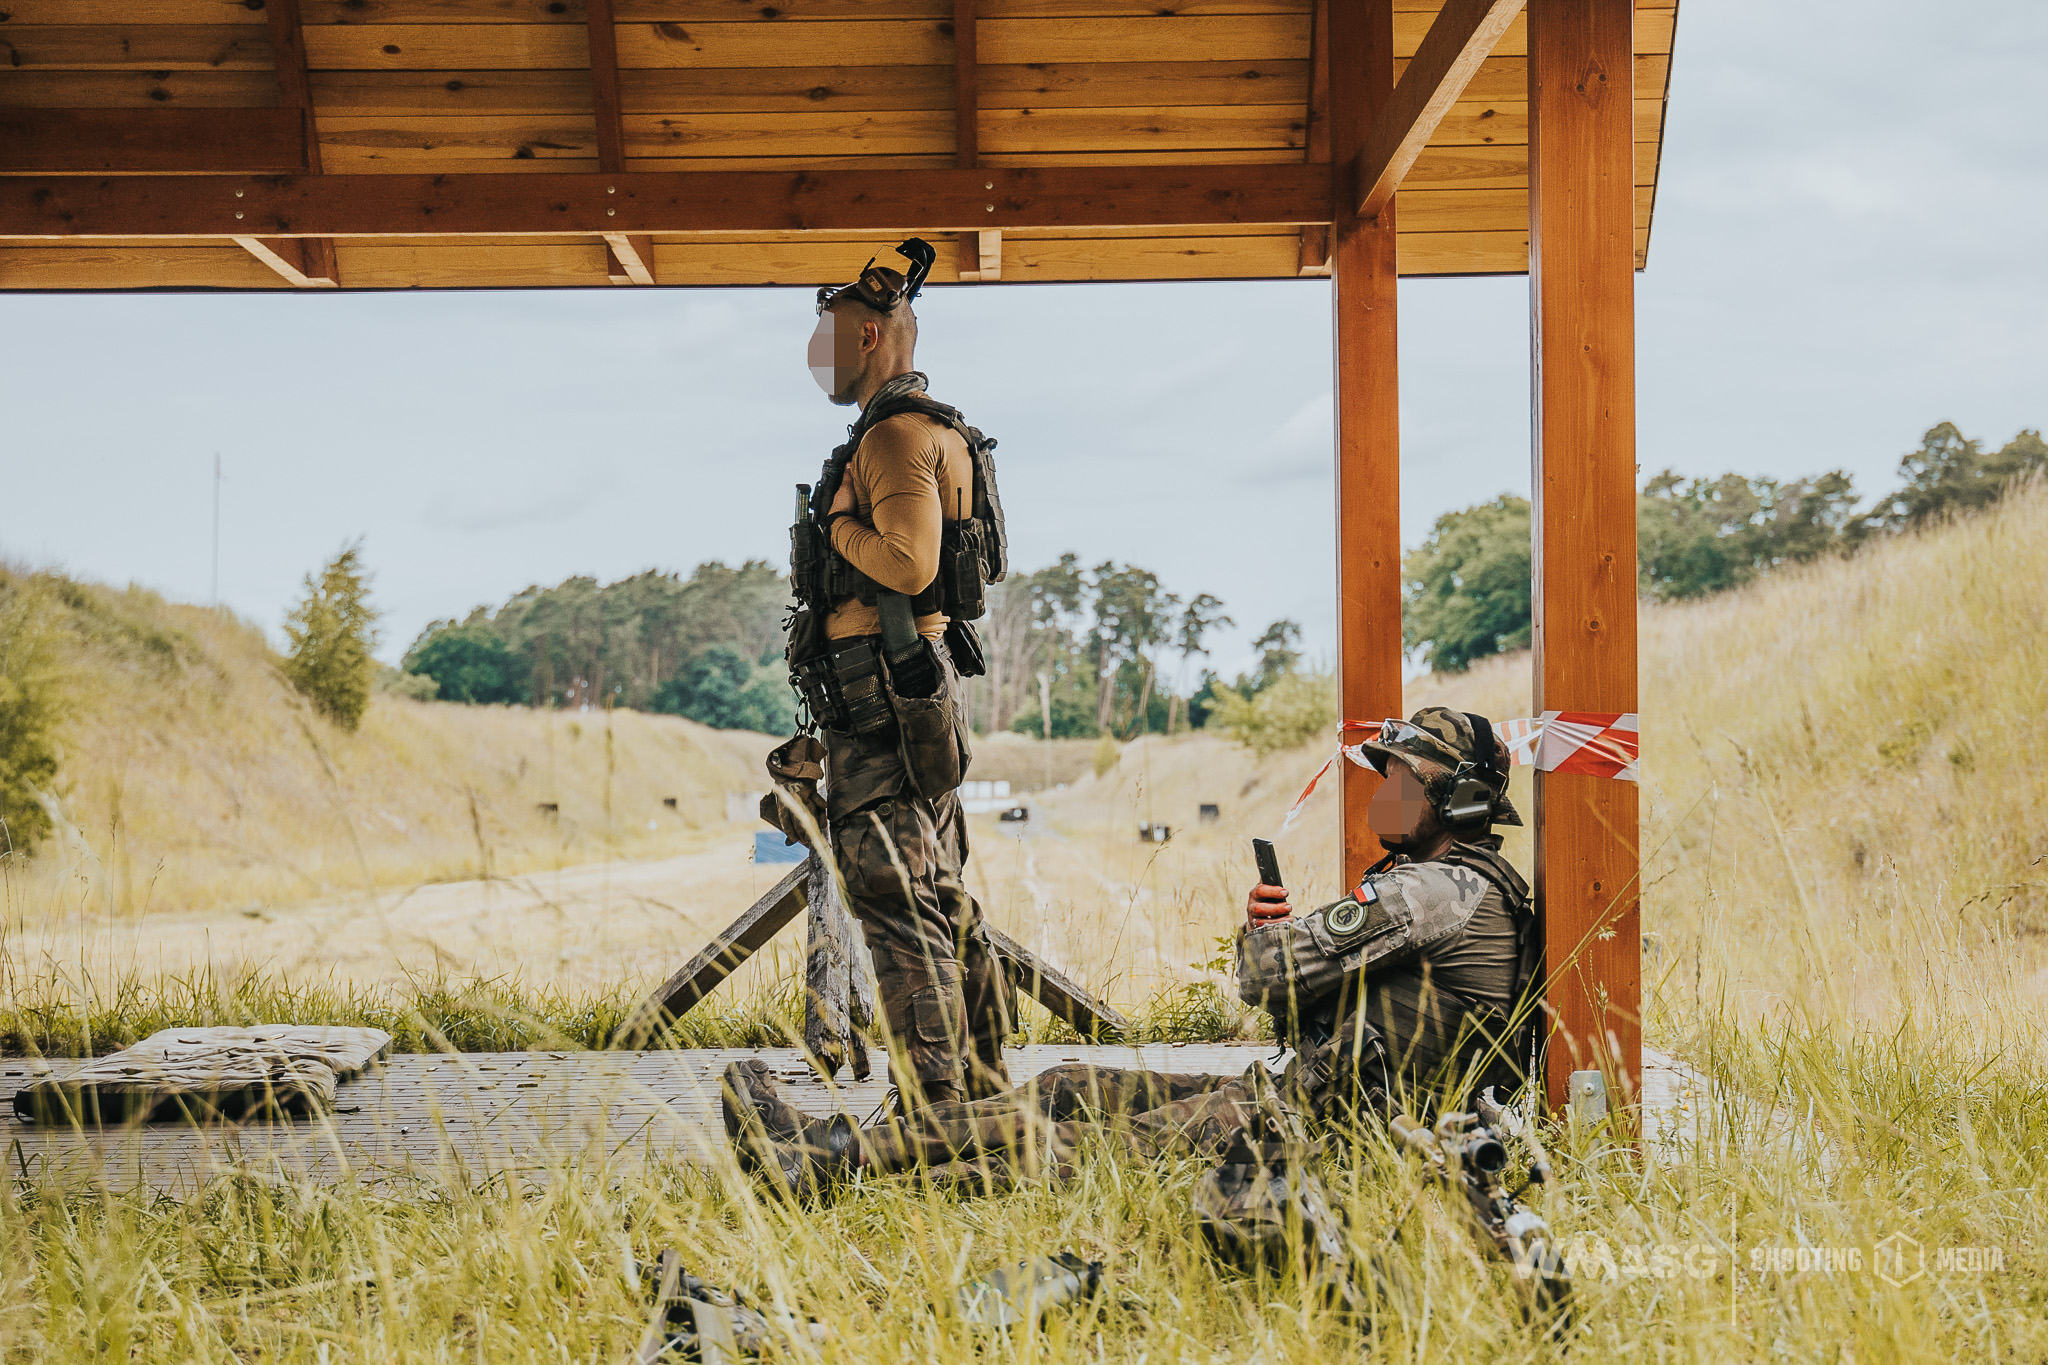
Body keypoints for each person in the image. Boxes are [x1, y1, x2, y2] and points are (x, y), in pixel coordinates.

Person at [724, 705, 1538, 1197]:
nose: (1383, 789)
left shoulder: (1434, 892)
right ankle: (829, 1150)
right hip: (1310, 1101)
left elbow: (1263, 977)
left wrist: (1268, 943)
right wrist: (1273, 939)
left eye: (1403, 777)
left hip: (1324, 1130)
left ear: (1456, 797)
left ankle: (835, 1168)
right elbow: (1295, 996)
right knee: (1071, 1083)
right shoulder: (1448, 886)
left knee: (1071, 1143)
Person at [777, 239, 1015, 1111]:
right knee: (939, 896)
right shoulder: (938, 429)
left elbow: (910, 565)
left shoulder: (893, 437)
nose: (821, 358)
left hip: (883, 699)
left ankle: (941, 1112)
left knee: (895, 902)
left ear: (875, 335)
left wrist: (838, 524)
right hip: (915, 691)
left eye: (835, 338)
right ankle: (986, 1093)